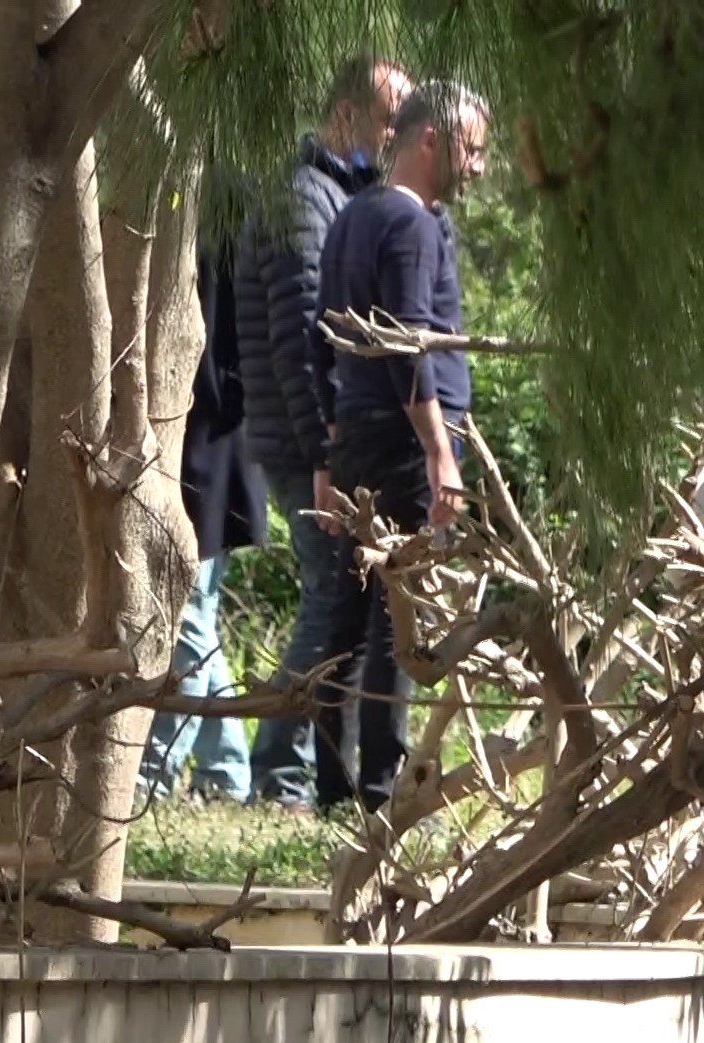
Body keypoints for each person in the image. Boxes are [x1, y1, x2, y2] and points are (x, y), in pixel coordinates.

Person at [231, 54, 412, 811]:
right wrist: (321, 454)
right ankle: (278, 766)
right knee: (331, 595)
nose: (401, 134)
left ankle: (289, 762)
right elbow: (302, 338)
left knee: (337, 593)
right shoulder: (306, 200)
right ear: (347, 118)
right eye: (390, 120)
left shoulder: (341, 195)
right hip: (306, 443)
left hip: (320, 440)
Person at [306, 79, 490, 813]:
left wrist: (329, 447)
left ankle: (330, 786)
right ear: (431, 141)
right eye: (472, 150)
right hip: (404, 445)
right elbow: (410, 343)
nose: (477, 167)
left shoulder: (352, 216)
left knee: (345, 618)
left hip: (354, 438)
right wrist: (441, 453)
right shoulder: (412, 227)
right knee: (399, 615)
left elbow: (320, 340)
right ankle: (380, 787)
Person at [138, 227, 268, 805]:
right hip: (214, 443)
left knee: (187, 612)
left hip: (208, 446)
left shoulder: (220, 236)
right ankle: (227, 773)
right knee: (198, 614)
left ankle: (157, 769)